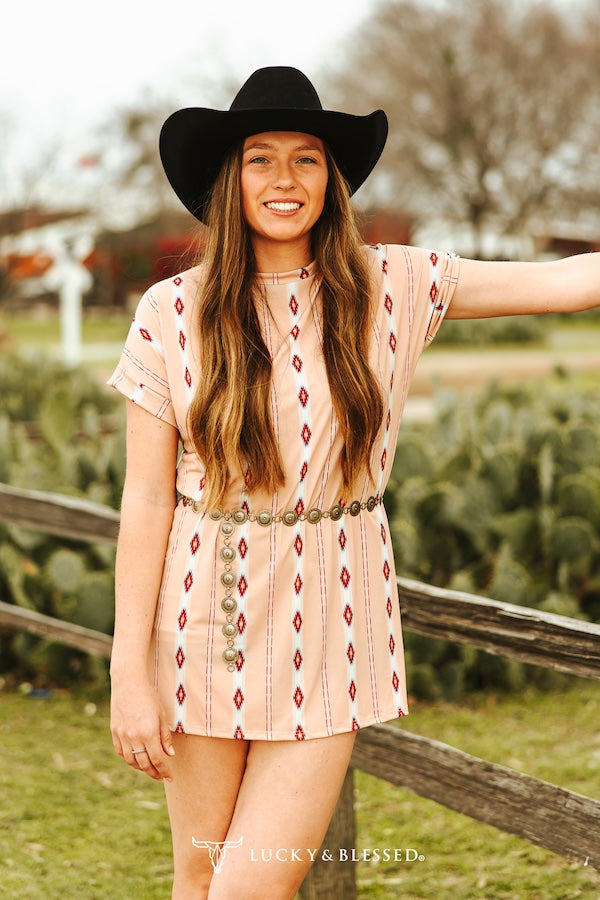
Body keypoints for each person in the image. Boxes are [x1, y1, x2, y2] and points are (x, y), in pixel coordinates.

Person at [107, 66, 599, 899]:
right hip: (196, 626)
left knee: (249, 887)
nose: (285, 180)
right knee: (197, 876)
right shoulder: (169, 310)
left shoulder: (393, 285)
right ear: (231, 180)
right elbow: (148, 500)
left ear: (332, 181)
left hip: (329, 628)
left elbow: (567, 284)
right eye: (261, 159)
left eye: (307, 160)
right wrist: (129, 675)